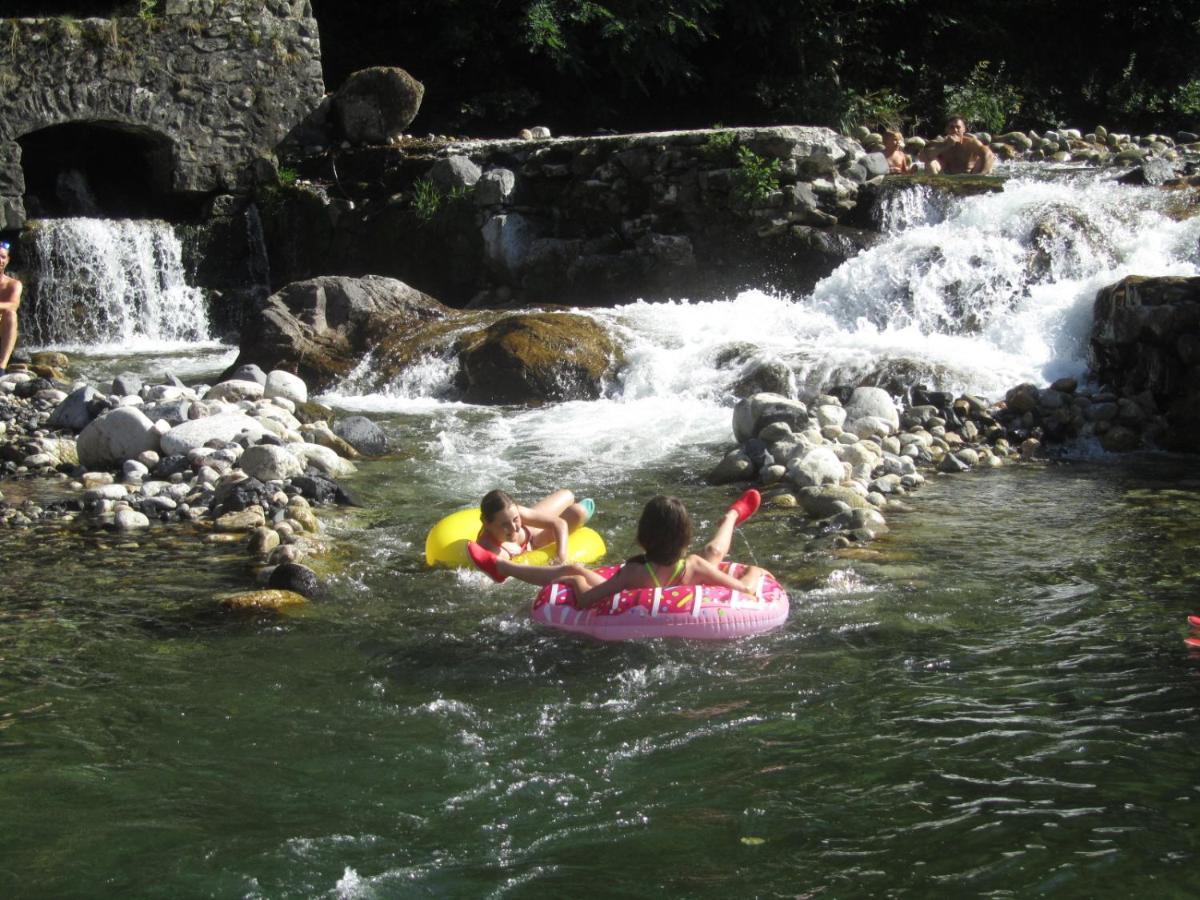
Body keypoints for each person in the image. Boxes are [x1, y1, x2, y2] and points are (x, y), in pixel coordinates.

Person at [467, 489, 765, 607]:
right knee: (713, 555)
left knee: (573, 569)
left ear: (643, 536)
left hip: (639, 591)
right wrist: (753, 573)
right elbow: (745, 590)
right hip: (678, 577)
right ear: (684, 539)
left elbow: (586, 601)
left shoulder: (634, 572)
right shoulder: (696, 565)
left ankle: (503, 568)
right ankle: (732, 517)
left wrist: (574, 581)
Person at [474, 488, 595, 565]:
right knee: (578, 512)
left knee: (567, 494)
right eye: (505, 525)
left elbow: (559, 523)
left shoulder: (512, 512)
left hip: (531, 530)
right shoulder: (490, 550)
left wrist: (561, 557)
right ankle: (580, 511)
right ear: (487, 523)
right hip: (539, 543)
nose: (513, 528)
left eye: (515, 519)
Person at [917, 115, 995, 175]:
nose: (955, 130)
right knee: (930, 162)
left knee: (988, 158)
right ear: (946, 130)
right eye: (951, 127)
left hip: (970, 175)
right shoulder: (940, 142)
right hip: (947, 177)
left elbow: (988, 154)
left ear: (964, 129)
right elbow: (922, 157)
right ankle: (934, 189)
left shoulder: (970, 143)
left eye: (958, 127)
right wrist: (946, 145)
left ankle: (983, 183)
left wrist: (983, 173)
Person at [0, 241, 21, 375]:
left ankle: (1, 367)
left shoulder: (13, 284)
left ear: (7, 260)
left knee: (11, 314)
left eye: (2, 257)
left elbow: (13, 304)